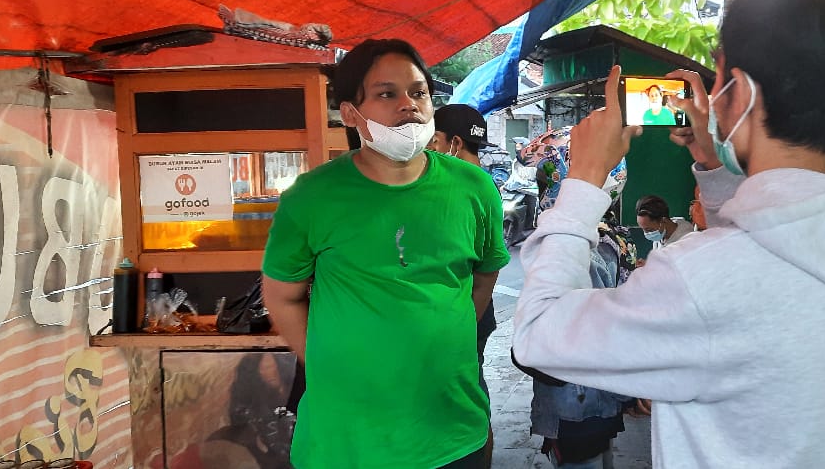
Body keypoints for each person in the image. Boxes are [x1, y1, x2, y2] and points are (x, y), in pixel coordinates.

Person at [512, 0, 825, 468]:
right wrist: (711, 161)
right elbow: (778, 249)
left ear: (739, 92)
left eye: (717, 78)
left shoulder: (698, 281)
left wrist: (584, 180)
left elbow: (538, 334)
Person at [261, 38, 510, 469]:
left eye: (418, 92)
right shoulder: (311, 197)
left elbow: (485, 274)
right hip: (345, 442)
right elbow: (283, 297)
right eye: (386, 93)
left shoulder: (475, 187)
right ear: (350, 113)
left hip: (451, 431)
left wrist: (449, 341)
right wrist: (328, 364)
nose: (408, 105)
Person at [513, 140, 639, 469]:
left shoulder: (577, 245)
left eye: (544, 181)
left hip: (577, 399)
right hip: (597, 395)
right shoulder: (611, 236)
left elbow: (574, 334)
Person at [426, 102, 499, 468]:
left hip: (462, 315)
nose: (429, 150)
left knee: (462, 398)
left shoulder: (456, 187)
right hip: (472, 316)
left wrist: (463, 323)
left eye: (434, 142)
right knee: (471, 392)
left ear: (453, 143)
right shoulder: (486, 184)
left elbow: (485, 272)